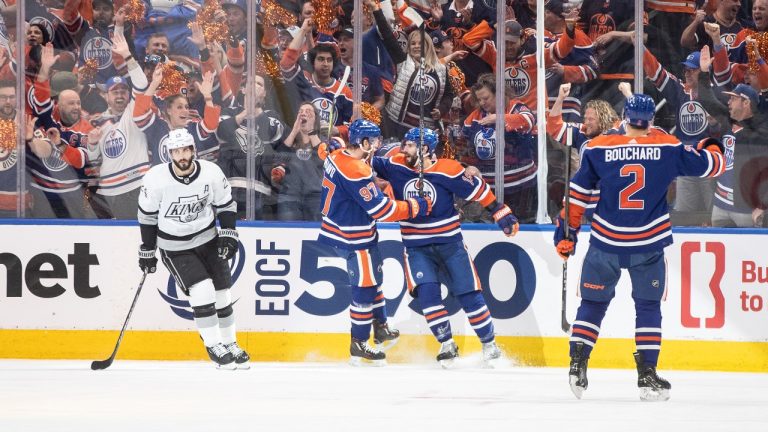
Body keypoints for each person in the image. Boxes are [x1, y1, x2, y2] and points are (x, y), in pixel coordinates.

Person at [555, 94, 726, 401]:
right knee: (647, 307)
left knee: (593, 305)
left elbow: (577, 194)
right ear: (650, 120)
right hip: (647, 245)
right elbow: (713, 166)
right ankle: (647, 374)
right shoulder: (667, 146)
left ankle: (577, 365)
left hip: (605, 243)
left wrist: (566, 235)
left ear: (624, 116)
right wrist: (708, 144)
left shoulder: (597, 148)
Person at [371, 127, 519, 368]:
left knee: (469, 294)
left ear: (425, 149)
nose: (402, 149)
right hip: (416, 247)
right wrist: (338, 147)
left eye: (409, 145)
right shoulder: (395, 165)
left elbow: (479, 190)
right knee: (427, 295)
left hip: (450, 244)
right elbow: (364, 159)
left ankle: (489, 345)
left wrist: (500, 212)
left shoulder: (448, 169)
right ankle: (446, 344)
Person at [318, 119, 432, 366]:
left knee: (374, 278)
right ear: (364, 142)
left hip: (347, 228)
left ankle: (380, 327)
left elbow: (332, 150)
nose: (379, 144)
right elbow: (382, 209)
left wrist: (331, 144)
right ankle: (358, 343)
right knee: (365, 288)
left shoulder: (336, 155)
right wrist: (415, 206)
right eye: (375, 140)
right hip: (352, 235)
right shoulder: (356, 171)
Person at [137, 129, 249, 369]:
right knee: (202, 290)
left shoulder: (211, 173)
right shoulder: (155, 179)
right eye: (176, 151)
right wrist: (147, 249)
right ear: (169, 154)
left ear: (193, 150)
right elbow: (147, 217)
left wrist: (228, 233)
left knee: (222, 293)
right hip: (175, 247)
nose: (182, 156)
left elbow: (226, 205)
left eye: (186, 150)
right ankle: (213, 344)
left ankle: (230, 343)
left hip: (208, 239)